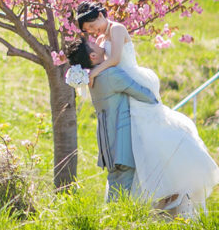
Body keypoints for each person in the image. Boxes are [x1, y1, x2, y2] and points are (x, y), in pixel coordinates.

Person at [74, 1, 219, 217]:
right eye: (87, 30)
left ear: (100, 14)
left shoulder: (116, 29)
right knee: (141, 141)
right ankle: (153, 197)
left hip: (133, 80)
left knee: (153, 134)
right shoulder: (100, 40)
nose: (92, 31)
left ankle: (173, 186)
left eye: (91, 25)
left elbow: (116, 59)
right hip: (123, 89)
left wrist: (94, 72)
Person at [64, 38, 158, 200]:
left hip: (107, 142)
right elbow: (144, 94)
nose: (98, 43)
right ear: (93, 55)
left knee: (115, 184)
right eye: (93, 44)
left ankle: (110, 219)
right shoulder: (111, 74)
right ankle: (115, 220)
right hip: (121, 140)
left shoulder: (93, 80)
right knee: (123, 190)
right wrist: (157, 100)